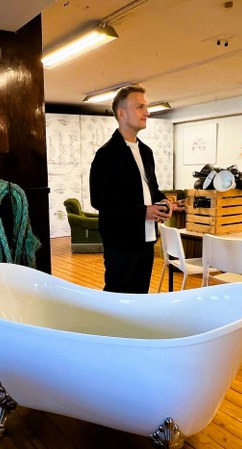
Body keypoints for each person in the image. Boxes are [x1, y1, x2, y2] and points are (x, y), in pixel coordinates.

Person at [89, 84, 174, 294]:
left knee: (140, 297)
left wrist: (164, 201)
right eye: (139, 107)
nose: (147, 112)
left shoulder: (146, 151)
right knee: (117, 297)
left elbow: (151, 189)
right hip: (121, 241)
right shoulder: (106, 154)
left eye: (146, 106)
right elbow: (100, 200)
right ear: (121, 113)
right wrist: (143, 212)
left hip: (147, 238)